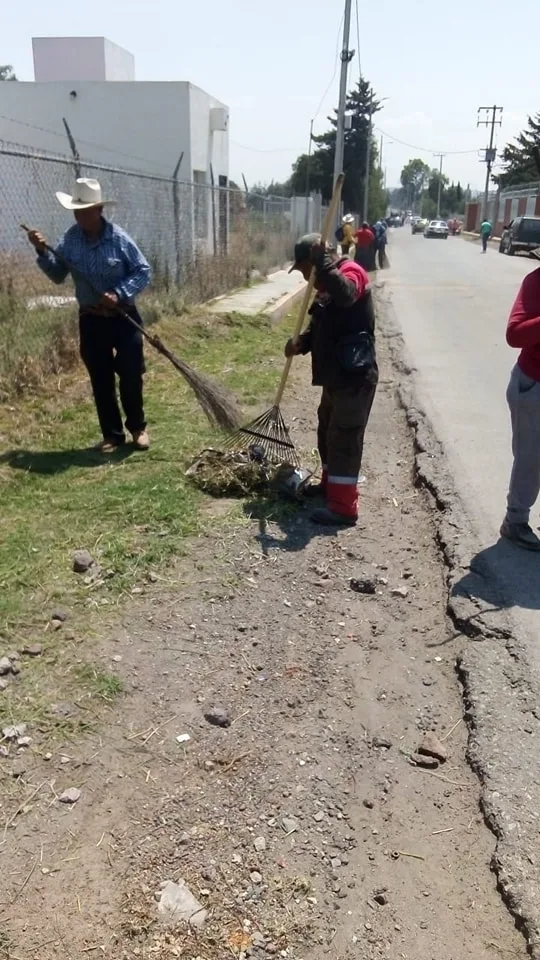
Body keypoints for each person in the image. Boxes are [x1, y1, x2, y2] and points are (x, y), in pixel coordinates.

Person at [28, 178, 151, 454]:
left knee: (131, 372)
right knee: (101, 376)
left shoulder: (119, 239)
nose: (80, 217)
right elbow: (58, 274)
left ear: (99, 211)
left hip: (123, 316)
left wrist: (118, 293)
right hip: (91, 319)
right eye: (77, 211)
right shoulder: (70, 240)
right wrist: (41, 251)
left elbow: (143, 271)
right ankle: (112, 434)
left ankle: (138, 428)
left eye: (86, 211)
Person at [286, 234, 378, 526]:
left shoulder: (352, 273)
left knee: (345, 437)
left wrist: (323, 263)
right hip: (336, 377)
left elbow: (348, 294)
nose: (305, 278)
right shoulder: (325, 286)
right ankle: (331, 488)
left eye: (304, 270)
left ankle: (344, 506)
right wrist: (301, 343)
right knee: (328, 430)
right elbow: (320, 328)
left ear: (316, 262)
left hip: (355, 376)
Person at [501, 255, 540, 549]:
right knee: (531, 458)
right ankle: (515, 522)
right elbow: (515, 334)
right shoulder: (535, 281)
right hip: (533, 385)